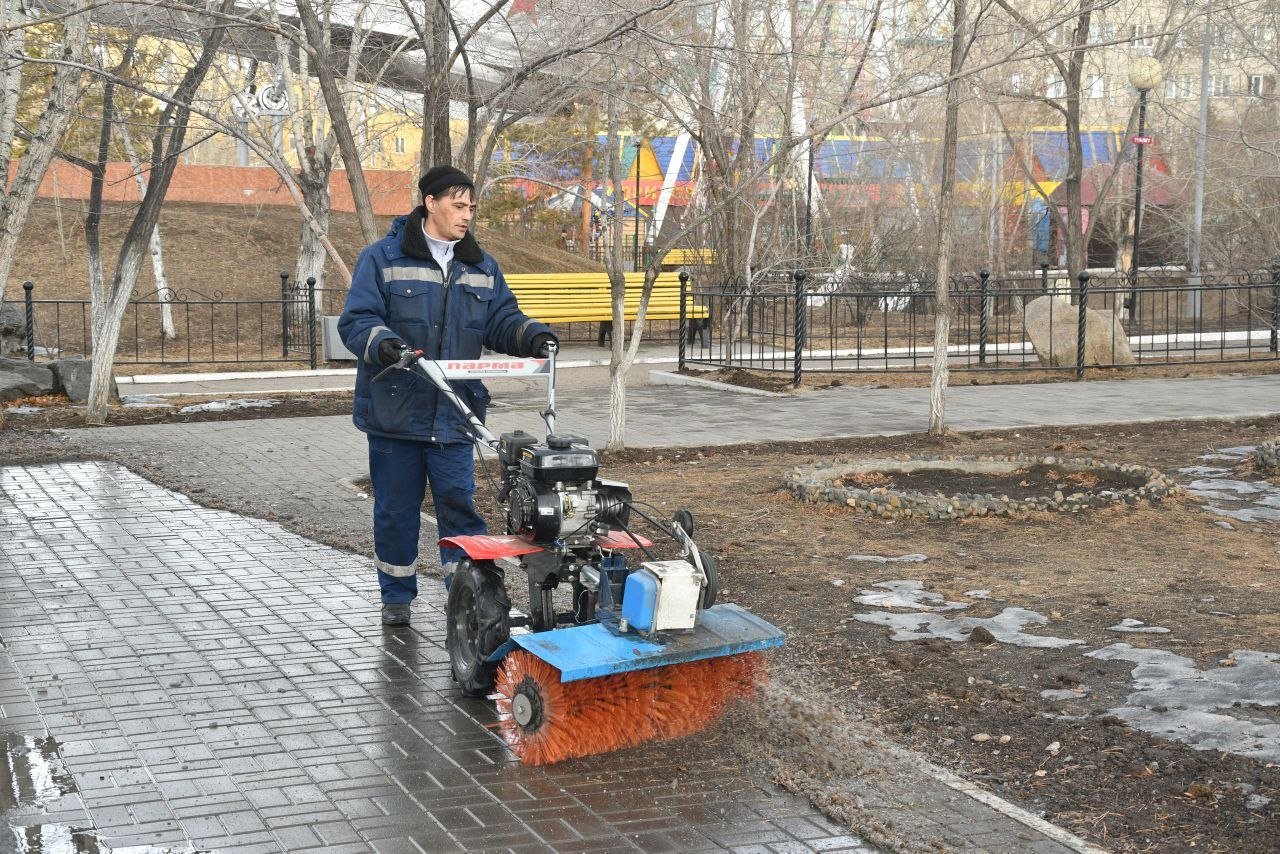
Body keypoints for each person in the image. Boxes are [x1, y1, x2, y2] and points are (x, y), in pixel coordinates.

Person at [338, 165, 557, 626]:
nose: (466, 216)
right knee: (397, 510)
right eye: (458, 205)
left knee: (459, 505)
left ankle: (468, 595)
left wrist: (531, 336)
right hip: (395, 413)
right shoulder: (382, 258)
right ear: (430, 201)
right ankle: (396, 596)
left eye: (471, 207)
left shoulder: (480, 265)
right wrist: (386, 344)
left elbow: (501, 319)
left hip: (456, 413)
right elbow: (357, 321)